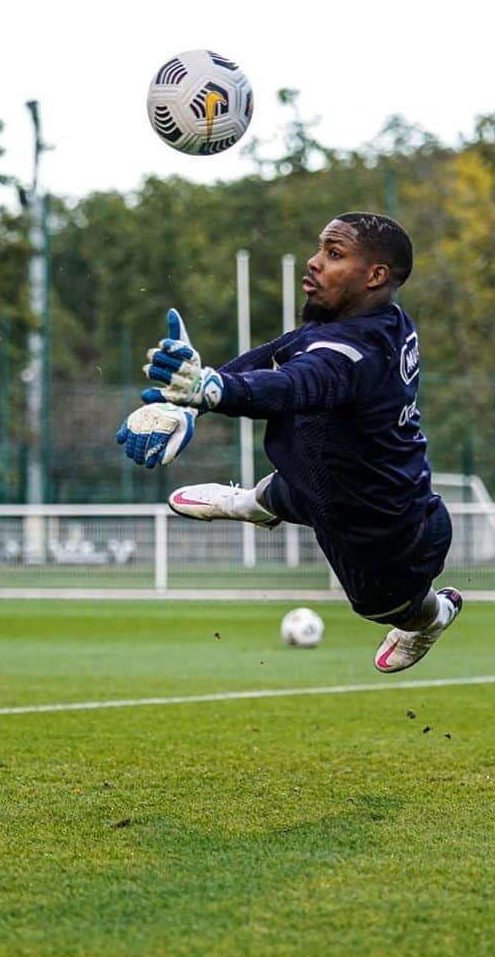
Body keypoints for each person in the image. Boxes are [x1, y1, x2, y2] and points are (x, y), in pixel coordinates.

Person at [117, 213, 461, 673]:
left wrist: (214, 390)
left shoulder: (352, 353)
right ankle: (249, 504)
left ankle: (438, 616)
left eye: (334, 254)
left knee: (389, 609)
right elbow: (278, 355)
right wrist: (195, 397)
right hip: (341, 477)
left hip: (378, 522)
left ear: (376, 276)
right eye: (320, 248)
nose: (314, 261)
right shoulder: (379, 317)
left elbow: (296, 385)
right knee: (302, 472)